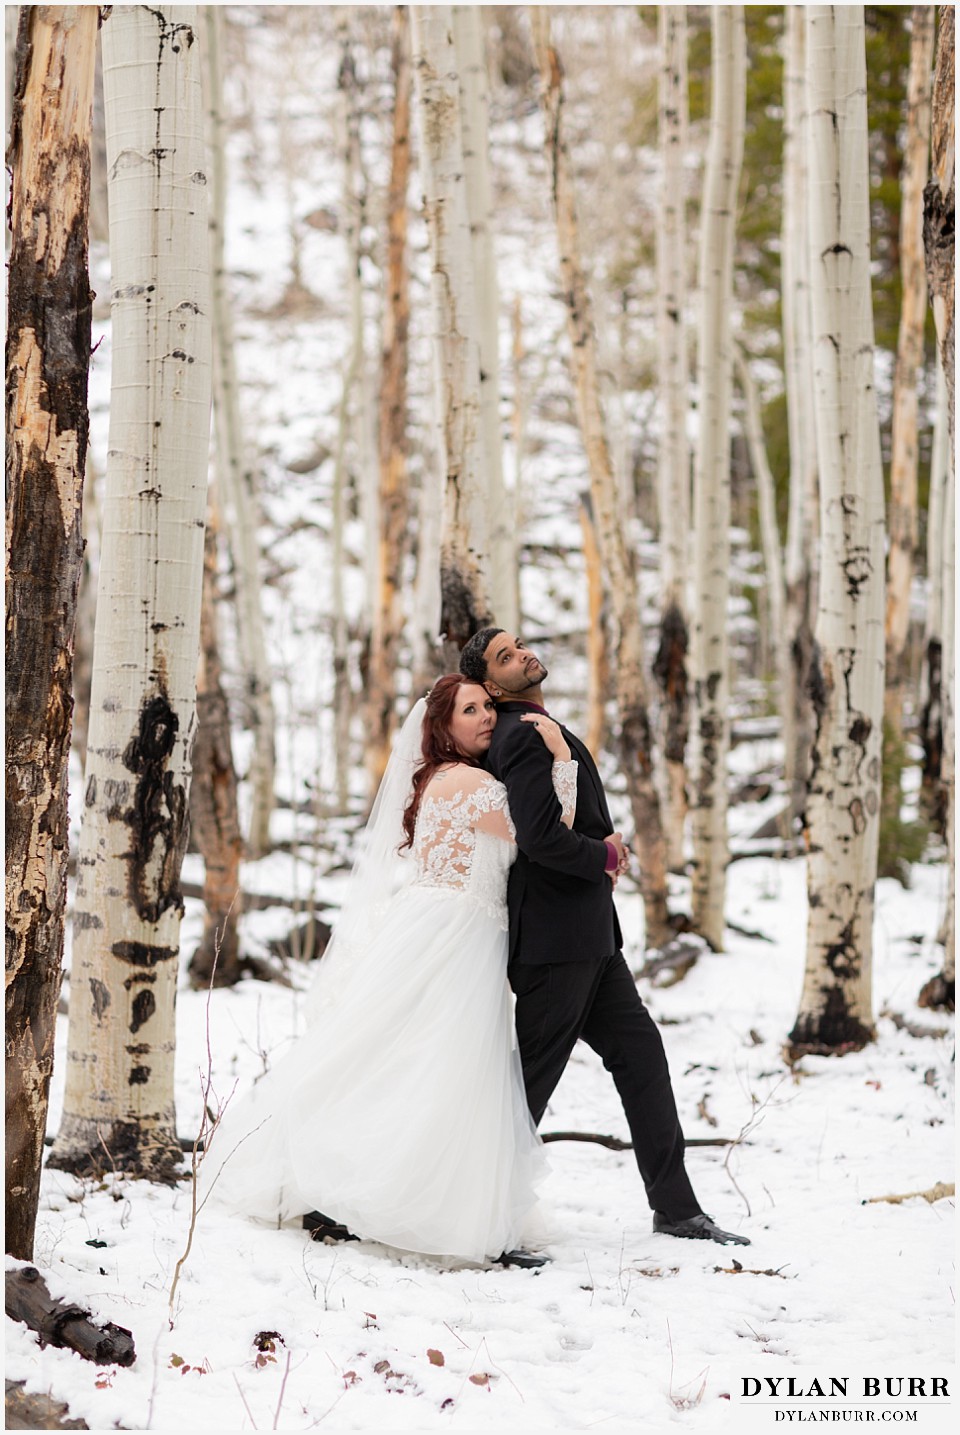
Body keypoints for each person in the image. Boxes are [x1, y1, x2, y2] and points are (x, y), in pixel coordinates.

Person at [197, 674, 578, 1266]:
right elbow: (545, 832)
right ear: (443, 727)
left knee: (404, 1058)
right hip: (454, 931)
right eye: (469, 711)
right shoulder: (468, 781)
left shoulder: (442, 778)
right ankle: (410, 1207)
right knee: (440, 1065)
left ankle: (363, 1190)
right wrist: (561, 759)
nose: (484, 718)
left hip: (450, 926)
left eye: (487, 708)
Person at [458, 627, 750, 1247]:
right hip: (555, 942)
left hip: (591, 940)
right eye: (505, 657)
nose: (523, 656)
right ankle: (472, 1217)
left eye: (519, 645)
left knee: (641, 1057)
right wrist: (606, 856)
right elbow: (538, 837)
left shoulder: (537, 728)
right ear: (489, 684)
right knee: (526, 1088)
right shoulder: (519, 737)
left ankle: (676, 1208)